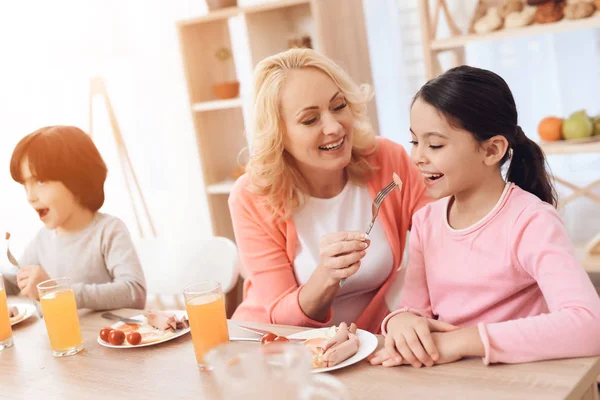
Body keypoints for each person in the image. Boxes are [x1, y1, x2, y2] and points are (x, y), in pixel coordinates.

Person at [370, 65, 600, 367]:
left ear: (491, 150)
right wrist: (399, 323)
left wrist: (462, 341)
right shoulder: (426, 222)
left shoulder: (531, 221)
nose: (418, 156)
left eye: (435, 144)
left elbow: (589, 325)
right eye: (415, 141)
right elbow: (414, 310)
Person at [228, 48, 431, 333]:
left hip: (366, 344)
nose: (334, 127)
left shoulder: (387, 160)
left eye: (338, 107)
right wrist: (326, 276)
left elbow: (443, 237)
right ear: (279, 134)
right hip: (278, 346)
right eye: (310, 120)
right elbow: (282, 318)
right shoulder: (252, 195)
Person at [4, 125, 147, 310]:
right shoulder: (42, 240)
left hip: (109, 336)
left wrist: (59, 292)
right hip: (59, 337)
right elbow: (13, 280)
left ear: (76, 179)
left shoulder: (108, 231)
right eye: (25, 184)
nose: (30, 196)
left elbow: (134, 293)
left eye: (40, 181)